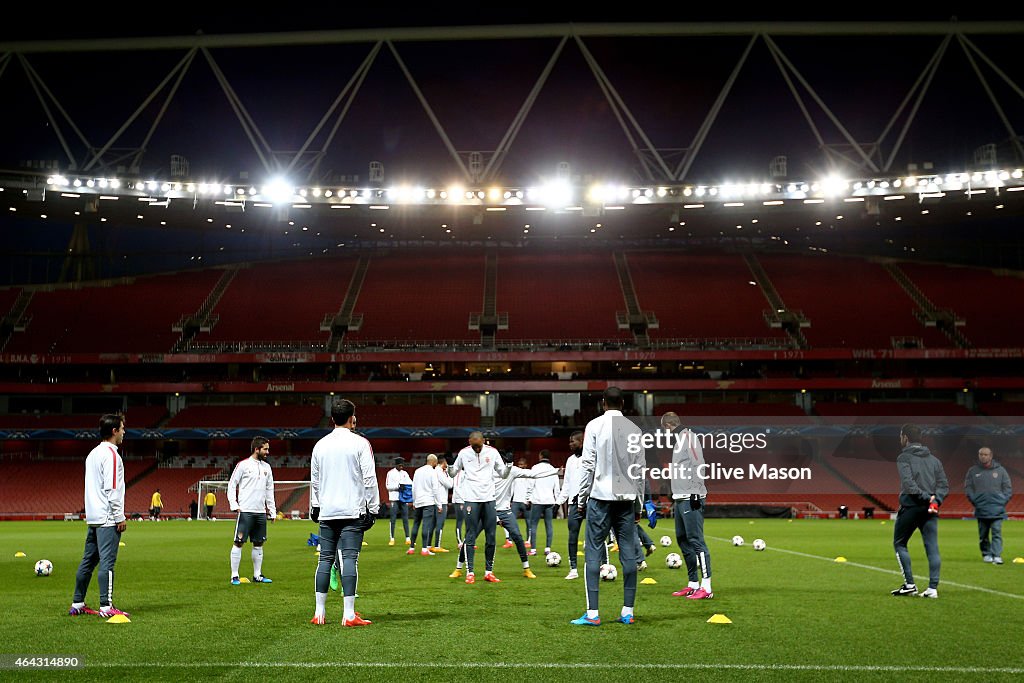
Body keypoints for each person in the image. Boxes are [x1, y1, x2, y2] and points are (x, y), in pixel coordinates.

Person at [572, 387, 645, 626]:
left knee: (593, 552)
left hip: (600, 497)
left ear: (603, 403)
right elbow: (639, 472)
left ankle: (593, 614)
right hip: (626, 500)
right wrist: (639, 506)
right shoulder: (634, 429)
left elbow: (588, 465)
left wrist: (581, 499)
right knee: (628, 555)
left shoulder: (594, 426)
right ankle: (628, 611)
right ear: (623, 403)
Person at [309, 398, 379, 626]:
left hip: (327, 511)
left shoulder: (320, 445)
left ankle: (319, 613)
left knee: (325, 560)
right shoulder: (360, 443)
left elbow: (315, 480)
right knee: (349, 558)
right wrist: (373, 508)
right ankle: (348, 614)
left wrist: (315, 506)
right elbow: (369, 478)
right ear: (352, 418)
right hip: (352, 511)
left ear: (332, 419)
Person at [456, 451, 560, 580]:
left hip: (504, 510)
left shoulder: (512, 470)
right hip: (486, 509)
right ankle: (459, 568)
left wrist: (555, 471)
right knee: (470, 538)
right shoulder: (486, 473)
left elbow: (533, 474)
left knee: (517, 536)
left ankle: (526, 569)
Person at [69, 413, 130, 618]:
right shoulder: (112, 455)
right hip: (107, 518)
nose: (124, 432)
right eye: (122, 428)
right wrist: (119, 516)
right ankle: (106, 606)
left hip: (94, 517)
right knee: (107, 563)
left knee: (87, 561)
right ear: (114, 431)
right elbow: (112, 488)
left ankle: (77, 603)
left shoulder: (93, 453)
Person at [891, 424, 949, 599]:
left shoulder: (903, 458)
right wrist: (935, 500)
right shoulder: (934, 460)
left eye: (901, 436)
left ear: (905, 437)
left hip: (911, 507)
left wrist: (925, 498)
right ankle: (932, 588)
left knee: (900, 543)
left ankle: (909, 584)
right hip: (930, 509)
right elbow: (944, 486)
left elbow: (909, 485)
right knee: (932, 547)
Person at [661, 411, 713, 599]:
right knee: (683, 539)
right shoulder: (679, 442)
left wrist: (696, 493)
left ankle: (706, 587)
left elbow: (698, 463)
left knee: (696, 540)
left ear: (668, 426)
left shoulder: (689, 437)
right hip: (680, 497)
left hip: (691, 496)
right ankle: (693, 583)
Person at [447, 431, 511, 584]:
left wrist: (509, 464)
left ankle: (489, 572)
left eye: (478, 444)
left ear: (483, 441)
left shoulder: (493, 452)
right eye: (473, 444)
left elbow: (503, 474)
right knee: (470, 536)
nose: (476, 448)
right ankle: (470, 573)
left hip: (489, 499)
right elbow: (452, 473)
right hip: (471, 499)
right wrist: (450, 464)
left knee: (491, 536)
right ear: (469, 441)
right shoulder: (463, 453)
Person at [227, 436, 276, 585]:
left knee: (259, 543)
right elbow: (231, 484)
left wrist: (272, 510)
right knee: (239, 542)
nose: (268, 452)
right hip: (246, 511)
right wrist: (234, 504)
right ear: (257, 449)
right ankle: (234, 576)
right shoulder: (243, 465)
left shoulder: (267, 468)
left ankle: (257, 575)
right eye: (265, 449)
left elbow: (270, 490)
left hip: (260, 512)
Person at [965, 446, 1013, 565]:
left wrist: (1002, 501)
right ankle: (986, 554)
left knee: (997, 532)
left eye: (985, 454)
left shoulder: (1000, 471)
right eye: (981, 454)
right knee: (983, 534)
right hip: (981, 508)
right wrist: (975, 500)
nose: (983, 456)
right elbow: (968, 488)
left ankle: (996, 555)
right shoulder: (973, 471)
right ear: (978, 456)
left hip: (997, 508)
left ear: (991, 456)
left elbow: (1008, 488)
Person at [556, 430, 586, 579]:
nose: (570, 444)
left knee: (597, 535)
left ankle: (603, 565)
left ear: (581, 442)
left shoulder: (592, 457)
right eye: (569, 441)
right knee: (572, 536)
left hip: (591, 501)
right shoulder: (570, 460)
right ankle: (573, 569)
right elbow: (567, 484)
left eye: (573, 441)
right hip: (574, 503)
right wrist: (559, 502)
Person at [407, 454, 443, 556]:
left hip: (418, 501)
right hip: (428, 502)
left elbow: (413, 488)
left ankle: (411, 548)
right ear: (434, 462)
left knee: (416, 524)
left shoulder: (417, 471)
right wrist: (439, 504)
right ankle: (424, 549)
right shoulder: (433, 472)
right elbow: (435, 489)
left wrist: (414, 501)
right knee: (426, 525)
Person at [527, 450, 560, 557]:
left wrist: (527, 499)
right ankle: (547, 548)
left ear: (540, 456)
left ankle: (533, 549)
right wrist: (557, 501)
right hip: (549, 501)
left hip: (537, 500)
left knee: (533, 525)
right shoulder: (553, 470)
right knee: (549, 525)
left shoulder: (535, 468)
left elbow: (530, 485)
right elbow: (557, 488)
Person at [385, 456, 413, 546]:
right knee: (393, 518)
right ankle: (392, 538)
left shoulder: (405, 473)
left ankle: (408, 538)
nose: (401, 467)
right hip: (394, 498)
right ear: (396, 465)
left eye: (402, 465)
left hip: (404, 499)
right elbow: (388, 486)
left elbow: (410, 483)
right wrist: (398, 486)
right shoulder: (390, 473)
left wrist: (406, 486)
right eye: (400, 465)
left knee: (405, 518)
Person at [432, 457, 454, 552]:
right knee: (440, 524)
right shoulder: (440, 472)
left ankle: (429, 545)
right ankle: (437, 546)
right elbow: (450, 485)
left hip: (434, 500)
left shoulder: (434, 471)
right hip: (441, 501)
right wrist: (449, 475)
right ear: (443, 463)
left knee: (432, 524)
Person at [510, 458, 533, 546]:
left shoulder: (529, 474)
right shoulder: (515, 475)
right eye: (519, 464)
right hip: (515, 501)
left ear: (526, 465)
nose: (520, 466)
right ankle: (510, 540)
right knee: (511, 521)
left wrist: (529, 500)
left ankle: (528, 540)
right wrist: (510, 500)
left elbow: (531, 488)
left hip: (526, 502)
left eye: (522, 464)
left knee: (528, 522)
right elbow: (511, 488)